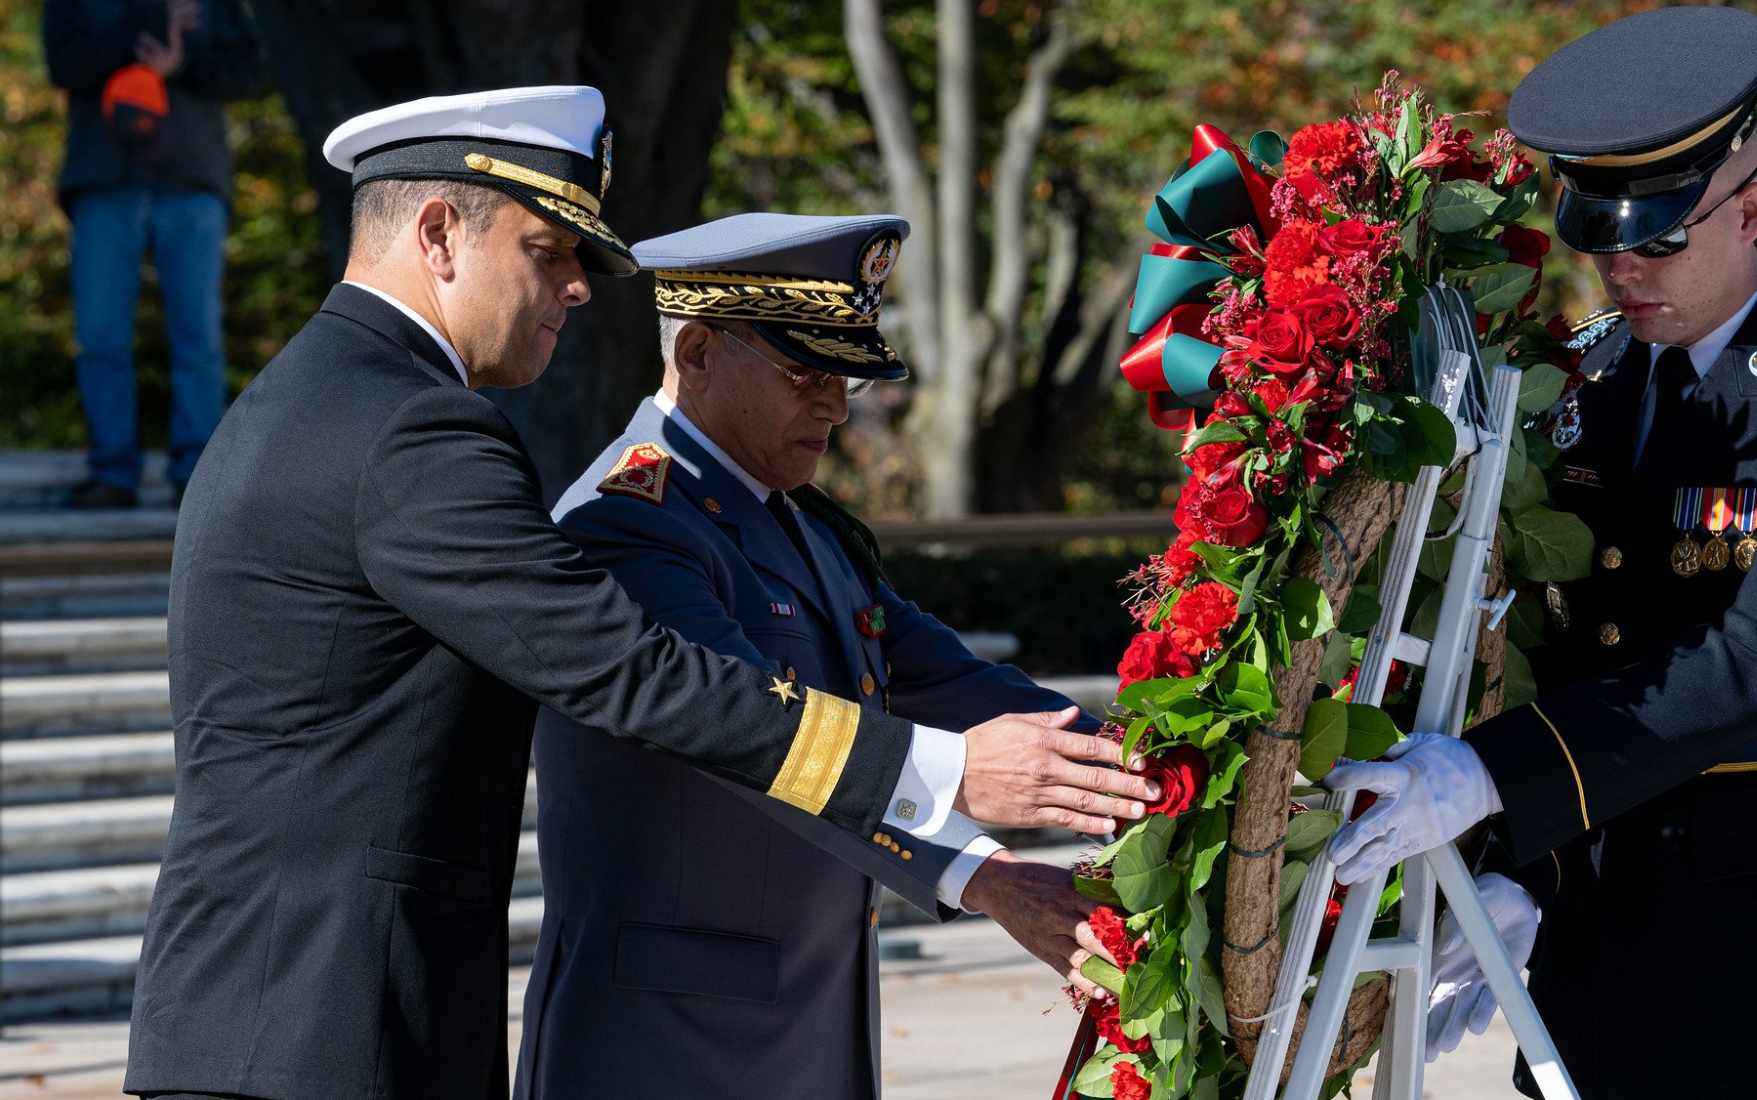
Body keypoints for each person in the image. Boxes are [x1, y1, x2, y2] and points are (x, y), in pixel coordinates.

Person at [123, 88, 1157, 1100]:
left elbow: (932, 672)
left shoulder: (337, 397)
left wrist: (1154, 765)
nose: (578, 287)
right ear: (438, 232)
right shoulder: (416, 429)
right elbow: (634, 674)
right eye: (548, 250)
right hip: (317, 1023)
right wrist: (955, 793)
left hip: (298, 1016)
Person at [1322, 6, 1757, 1100]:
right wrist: (1510, 865)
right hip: (1582, 906)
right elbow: (1527, 635)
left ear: (1747, 209)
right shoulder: (1575, 378)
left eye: (1657, 236)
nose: (1621, 269)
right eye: (1598, 237)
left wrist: (1491, 777)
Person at [515, 213, 1123, 1099]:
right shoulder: (628, 521)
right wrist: (984, 873)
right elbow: (753, 745)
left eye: (845, 376)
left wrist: (1158, 769)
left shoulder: (798, 521)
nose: (837, 405)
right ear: (696, 354)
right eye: (805, 372)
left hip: (806, 1032)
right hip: (666, 1047)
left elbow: (955, 683)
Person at [42, 0, 264, 508]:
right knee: (99, 336)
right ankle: (113, 474)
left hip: (192, 182)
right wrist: (141, 24)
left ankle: (196, 477)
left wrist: (179, 63)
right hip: (102, 181)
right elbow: (66, 67)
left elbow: (252, 73)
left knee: (198, 337)